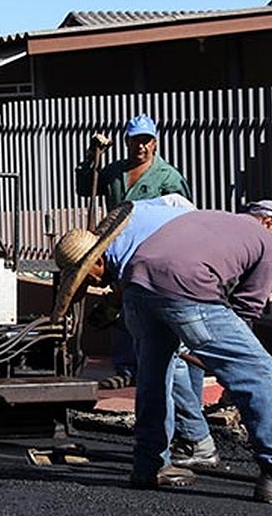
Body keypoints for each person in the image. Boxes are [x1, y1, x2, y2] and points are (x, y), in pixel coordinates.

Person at [59, 200, 272, 503]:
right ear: (269, 222)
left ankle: (149, 465)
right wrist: (235, 373)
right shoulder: (269, 248)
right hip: (183, 284)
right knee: (260, 370)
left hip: (136, 286)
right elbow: (246, 311)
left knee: (154, 377)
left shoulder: (212, 219)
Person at [55, 196, 218, 469]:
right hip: (185, 263)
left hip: (195, 267)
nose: (93, 284)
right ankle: (191, 437)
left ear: (96, 261)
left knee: (167, 361)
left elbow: (134, 273)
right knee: (173, 360)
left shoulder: (135, 256)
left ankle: (194, 440)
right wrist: (112, 305)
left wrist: (118, 308)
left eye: (88, 277)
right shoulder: (121, 245)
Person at [75, 114, 192, 390]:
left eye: (145, 141)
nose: (140, 147)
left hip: (153, 249)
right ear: (126, 142)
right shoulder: (115, 172)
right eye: (134, 141)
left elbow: (182, 213)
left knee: (145, 305)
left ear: (155, 143)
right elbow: (84, 188)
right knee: (119, 303)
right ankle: (127, 367)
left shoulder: (168, 177)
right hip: (118, 248)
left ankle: (151, 366)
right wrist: (92, 158)